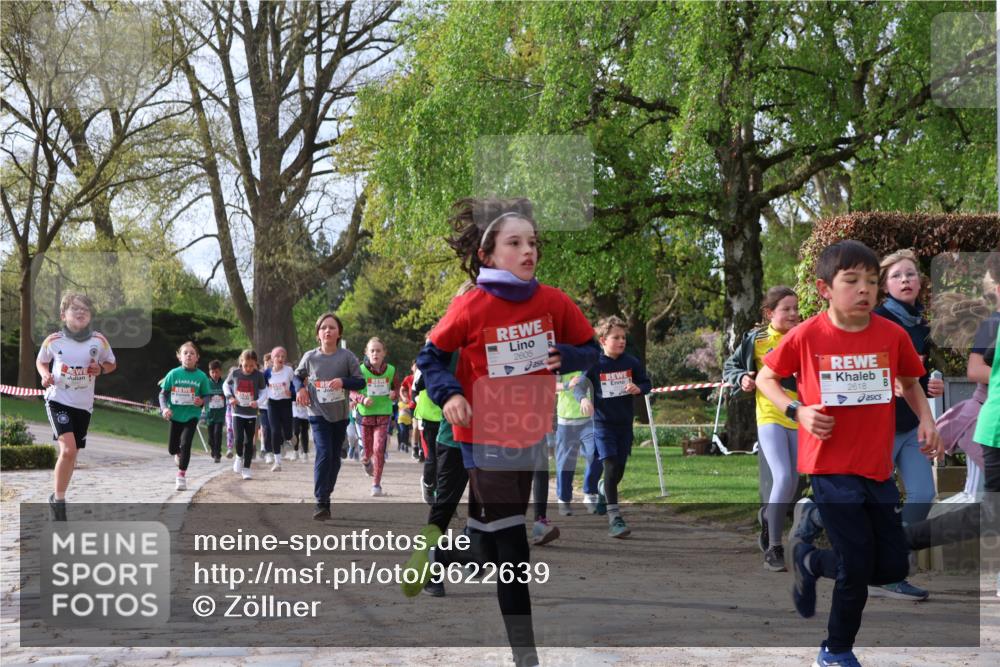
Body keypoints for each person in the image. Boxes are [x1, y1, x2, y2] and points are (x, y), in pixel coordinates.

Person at [403, 197, 599, 667]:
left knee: (485, 549)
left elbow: (591, 348)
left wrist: (568, 357)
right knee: (513, 549)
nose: (529, 251)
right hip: (482, 436)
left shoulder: (553, 301)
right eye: (515, 243)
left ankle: (436, 557)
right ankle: (526, 658)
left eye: (532, 242)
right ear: (487, 255)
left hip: (529, 435)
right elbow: (430, 357)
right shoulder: (471, 305)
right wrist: (450, 394)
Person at [755, 239, 943, 667]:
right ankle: (835, 650)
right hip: (829, 466)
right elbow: (766, 378)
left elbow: (910, 383)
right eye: (852, 281)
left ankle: (809, 559)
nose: (865, 289)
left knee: (892, 567)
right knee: (856, 565)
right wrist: (797, 410)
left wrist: (927, 422)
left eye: (872, 281)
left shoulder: (892, 334)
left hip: (876, 467)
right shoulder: (807, 334)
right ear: (825, 288)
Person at [869, 249, 945, 600]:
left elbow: (920, 374)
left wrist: (931, 383)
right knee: (874, 498)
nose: (905, 280)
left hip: (912, 425)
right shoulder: (876, 320)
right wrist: (891, 381)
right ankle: (815, 517)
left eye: (911, 274)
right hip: (879, 426)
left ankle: (890, 562)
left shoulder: (922, 324)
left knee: (924, 494)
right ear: (885, 285)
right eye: (897, 276)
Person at [722, 285, 801, 571]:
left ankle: (769, 516)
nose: (793, 314)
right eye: (786, 309)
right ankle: (774, 547)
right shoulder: (756, 339)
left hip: (800, 416)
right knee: (783, 477)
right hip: (769, 416)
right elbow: (730, 367)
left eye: (796, 308)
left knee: (793, 482)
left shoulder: (804, 336)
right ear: (769, 313)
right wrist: (742, 377)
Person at [36, 293, 117, 521]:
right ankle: (59, 501)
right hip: (58, 400)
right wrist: (44, 375)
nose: (80, 312)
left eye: (85, 309)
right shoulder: (53, 340)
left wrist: (100, 369)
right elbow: (41, 360)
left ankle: (57, 496)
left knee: (73, 456)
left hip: (83, 405)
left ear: (90, 316)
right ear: (64, 315)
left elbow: (112, 363)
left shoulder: (99, 340)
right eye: (75, 308)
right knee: (68, 451)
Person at [577, 315, 652, 538]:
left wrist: (639, 388)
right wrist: (584, 399)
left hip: (624, 425)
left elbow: (646, 383)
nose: (621, 341)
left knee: (618, 470)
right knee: (609, 466)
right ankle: (615, 518)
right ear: (603, 340)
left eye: (623, 337)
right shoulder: (594, 364)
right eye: (616, 337)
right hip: (603, 425)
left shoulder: (631, 362)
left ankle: (603, 489)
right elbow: (578, 387)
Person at [295, 313, 365, 520]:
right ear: (318, 334)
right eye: (323, 327)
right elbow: (297, 376)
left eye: (332, 327)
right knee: (324, 452)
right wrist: (300, 389)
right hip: (317, 412)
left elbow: (360, 382)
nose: (327, 331)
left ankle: (326, 492)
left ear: (339, 333)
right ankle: (321, 501)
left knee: (334, 458)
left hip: (340, 415)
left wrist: (343, 381)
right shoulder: (310, 357)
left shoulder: (347, 357)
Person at [159, 342, 213, 490]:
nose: (189, 355)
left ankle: (181, 475)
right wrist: (164, 409)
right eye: (185, 353)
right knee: (172, 449)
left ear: (197, 358)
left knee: (186, 443)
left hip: (191, 416)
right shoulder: (173, 374)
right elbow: (163, 394)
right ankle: (177, 453)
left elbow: (207, 396)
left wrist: (202, 401)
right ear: (179, 356)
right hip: (175, 415)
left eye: (192, 353)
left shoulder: (201, 376)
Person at [353, 337, 399, 496]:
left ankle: (376, 484)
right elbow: (352, 392)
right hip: (365, 416)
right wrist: (362, 399)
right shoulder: (360, 370)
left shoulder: (391, 370)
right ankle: (366, 460)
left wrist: (394, 394)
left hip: (383, 414)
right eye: (372, 351)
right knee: (368, 452)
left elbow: (397, 389)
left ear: (384, 353)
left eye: (378, 351)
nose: (375, 354)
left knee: (379, 449)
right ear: (366, 352)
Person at [554, 371, 597, 516]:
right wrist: (567, 384)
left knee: (595, 454)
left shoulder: (590, 362)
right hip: (566, 421)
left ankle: (590, 494)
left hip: (589, 420)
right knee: (565, 463)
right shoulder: (560, 363)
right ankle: (564, 499)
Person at [224, 350, 267, 480]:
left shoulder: (259, 376)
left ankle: (247, 469)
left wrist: (258, 402)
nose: (248, 368)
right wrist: (230, 397)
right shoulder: (235, 373)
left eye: (251, 366)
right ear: (241, 362)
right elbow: (225, 385)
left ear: (255, 364)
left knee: (249, 442)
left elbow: (264, 392)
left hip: (251, 414)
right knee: (238, 439)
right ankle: (238, 456)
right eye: (245, 365)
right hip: (237, 412)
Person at [264, 346, 295, 471]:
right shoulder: (267, 373)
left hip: (286, 403)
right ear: (272, 359)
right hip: (272, 404)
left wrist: (292, 393)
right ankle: (277, 462)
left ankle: (290, 437)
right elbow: (262, 387)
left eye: (283, 356)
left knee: (287, 432)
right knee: (275, 431)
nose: (280, 358)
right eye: (277, 356)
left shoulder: (289, 370)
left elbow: (295, 385)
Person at [203, 360, 227, 463]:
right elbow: (202, 396)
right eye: (212, 372)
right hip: (210, 414)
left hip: (220, 414)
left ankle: (218, 454)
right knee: (210, 438)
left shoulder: (224, 383)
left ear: (220, 372)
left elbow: (228, 394)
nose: (214, 374)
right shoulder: (206, 383)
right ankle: (213, 450)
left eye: (216, 372)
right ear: (209, 372)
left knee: (217, 433)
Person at [291, 373, 310, 462]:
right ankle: (295, 452)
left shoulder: (310, 388)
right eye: (305, 379)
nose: (306, 381)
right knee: (296, 432)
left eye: (307, 379)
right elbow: (291, 396)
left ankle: (305, 453)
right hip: (296, 413)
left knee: (304, 433)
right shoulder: (296, 387)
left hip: (306, 414)